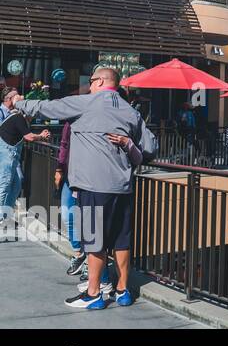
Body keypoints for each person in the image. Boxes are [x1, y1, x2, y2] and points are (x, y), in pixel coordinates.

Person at [16, 68, 156, 310]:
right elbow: (151, 148)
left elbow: (48, 108)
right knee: (121, 242)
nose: (89, 86)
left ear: (101, 81)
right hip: (122, 187)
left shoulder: (88, 102)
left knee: (94, 241)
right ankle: (123, 291)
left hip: (93, 186)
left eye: (91, 81)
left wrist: (21, 102)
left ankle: (93, 295)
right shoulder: (130, 110)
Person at [0, 90, 51, 224]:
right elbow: (28, 137)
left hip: (11, 154)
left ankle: (6, 214)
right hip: (7, 154)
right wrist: (41, 136)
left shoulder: (17, 117)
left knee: (16, 184)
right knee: (4, 185)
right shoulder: (18, 117)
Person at [55, 122, 87, 277]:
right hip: (70, 174)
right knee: (68, 215)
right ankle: (80, 254)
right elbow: (64, 145)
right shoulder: (70, 122)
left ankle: (90, 261)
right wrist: (59, 169)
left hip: (89, 176)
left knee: (89, 218)